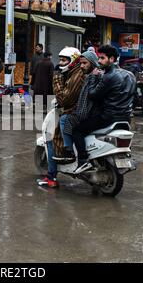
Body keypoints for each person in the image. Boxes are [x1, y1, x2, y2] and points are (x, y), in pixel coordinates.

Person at [71, 44, 136, 167]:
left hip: (108, 117)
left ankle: (82, 160)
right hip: (126, 118)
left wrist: (93, 78)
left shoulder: (108, 76)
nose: (99, 61)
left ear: (111, 59)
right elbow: (135, 98)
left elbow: (93, 95)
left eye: (102, 58)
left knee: (77, 130)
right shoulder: (130, 75)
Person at [36, 47, 85, 188]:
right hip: (77, 112)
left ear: (74, 61)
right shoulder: (73, 73)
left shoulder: (77, 75)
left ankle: (52, 176)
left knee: (52, 141)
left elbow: (63, 99)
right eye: (61, 59)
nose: (61, 63)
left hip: (72, 113)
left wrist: (56, 79)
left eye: (64, 60)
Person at [59, 51, 102, 163]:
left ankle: (75, 155)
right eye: (80, 63)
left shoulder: (94, 76)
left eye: (84, 63)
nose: (82, 66)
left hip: (93, 114)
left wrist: (78, 114)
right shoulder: (90, 75)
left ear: (92, 63)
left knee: (68, 122)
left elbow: (87, 99)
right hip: (93, 113)